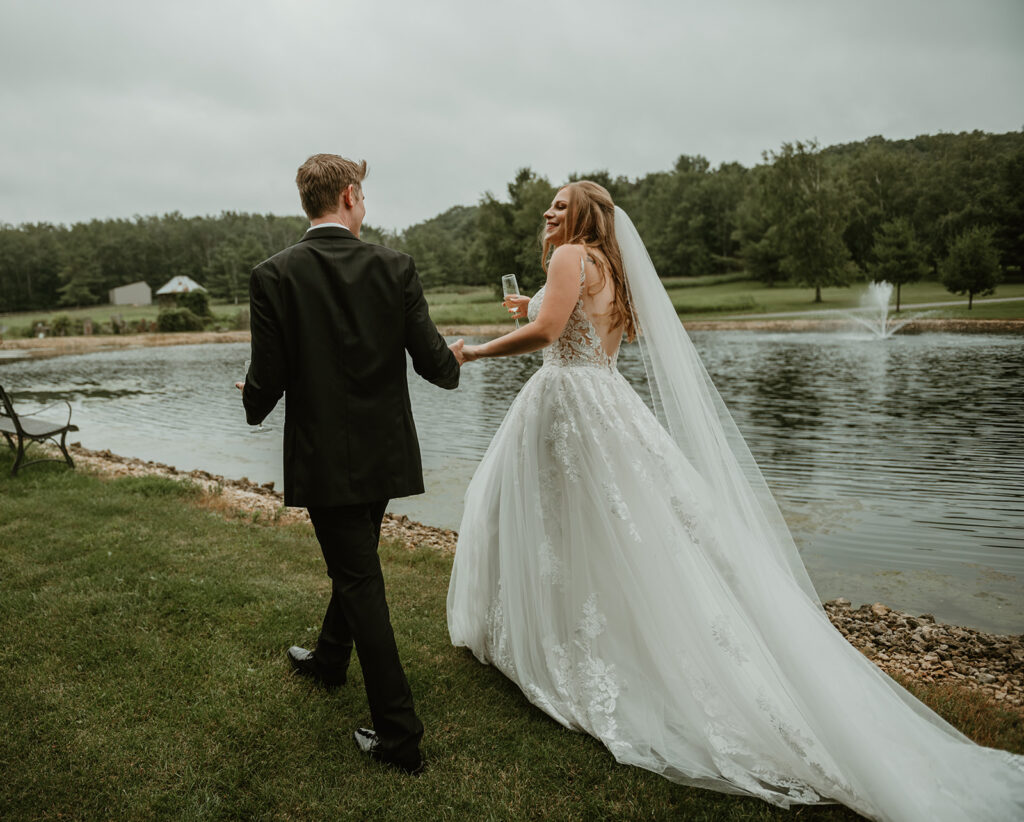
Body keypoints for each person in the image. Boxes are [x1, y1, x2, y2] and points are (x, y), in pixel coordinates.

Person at [446, 181, 1023, 820]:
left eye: (559, 205)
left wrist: (475, 351)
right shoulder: (610, 266)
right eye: (548, 206)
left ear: (583, 216)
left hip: (568, 408)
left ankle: (563, 642)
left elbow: (550, 333)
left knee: (554, 522)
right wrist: (535, 306)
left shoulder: (567, 256)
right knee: (612, 531)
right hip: (608, 407)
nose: (548, 212)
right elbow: (581, 326)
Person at [239, 153, 462, 775]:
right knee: (358, 562)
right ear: (349, 194)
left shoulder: (273, 274)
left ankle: (400, 737)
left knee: (358, 574)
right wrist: (454, 360)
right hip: (384, 450)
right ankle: (332, 661)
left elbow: (270, 373)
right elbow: (433, 364)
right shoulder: (395, 266)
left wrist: (252, 402)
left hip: (323, 458)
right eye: (363, 196)